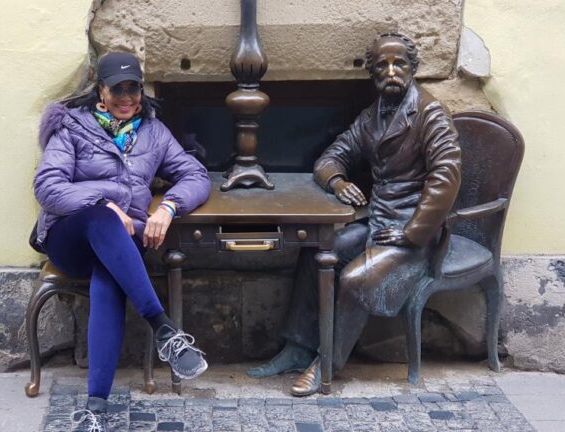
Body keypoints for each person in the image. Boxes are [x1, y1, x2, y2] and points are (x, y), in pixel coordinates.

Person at [247, 32, 462, 396]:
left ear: (413, 69)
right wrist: (337, 182)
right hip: (378, 223)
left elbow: (446, 177)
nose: (391, 71)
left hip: (410, 233)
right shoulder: (371, 117)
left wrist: (413, 232)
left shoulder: (430, 114)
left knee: (353, 279)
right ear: (372, 72)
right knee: (317, 250)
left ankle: (326, 362)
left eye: (399, 64)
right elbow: (330, 157)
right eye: (382, 65)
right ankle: (298, 348)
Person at [32, 52, 211, 430]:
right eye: (118, 89)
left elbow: (194, 174)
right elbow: (48, 188)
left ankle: (95, 408)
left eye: (134, 89)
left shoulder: (153, 132)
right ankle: (163, 327)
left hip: (125, 240)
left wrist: (169, 209)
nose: (127, 97)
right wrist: (105, 200)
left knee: (109, 279)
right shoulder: (73, 128)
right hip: (72, 236)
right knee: (102, 219)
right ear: (101, 89)